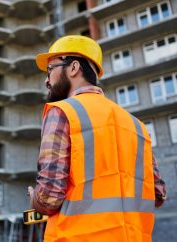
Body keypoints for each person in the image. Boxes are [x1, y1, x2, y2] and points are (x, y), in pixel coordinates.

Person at [28, 35, 166, 241]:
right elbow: (158, 194)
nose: (47, 80)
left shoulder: (63, 112)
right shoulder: (136, 125)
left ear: (73, 67)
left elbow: (48, 198)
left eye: (50, 69)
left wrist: (33, 200)